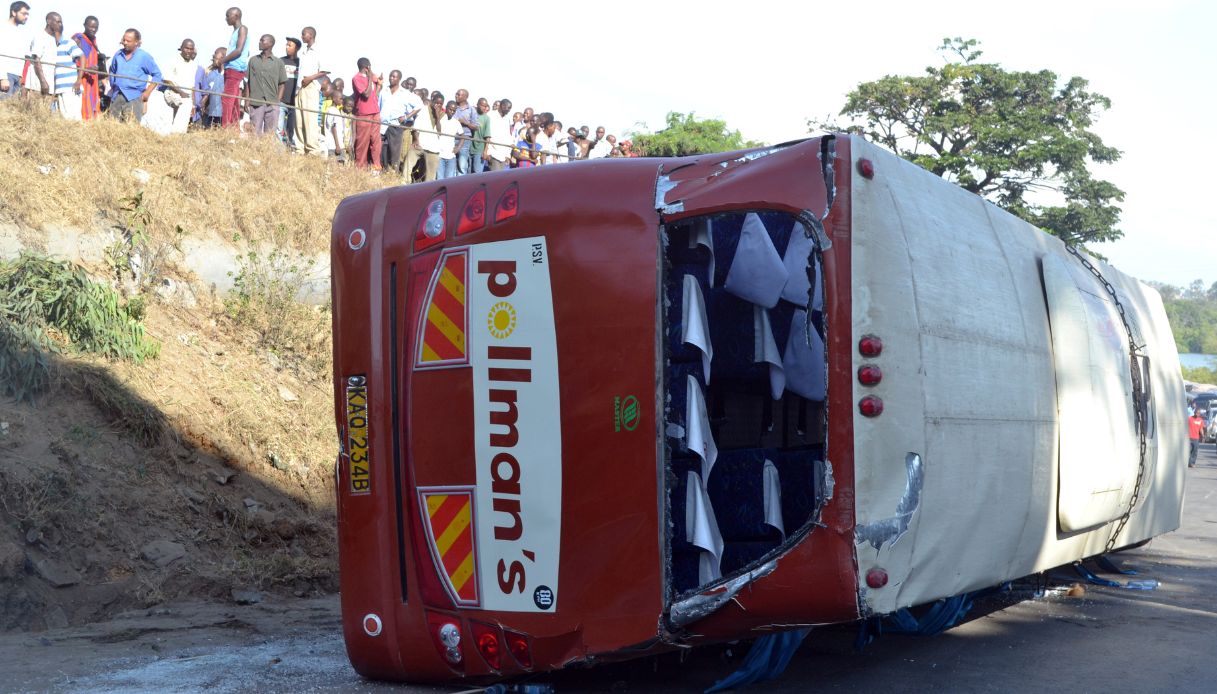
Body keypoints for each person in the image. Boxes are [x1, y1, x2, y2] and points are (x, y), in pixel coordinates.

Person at [107, 28, 161, 122]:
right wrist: (113, 85)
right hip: (117, 96)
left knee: (130, 129)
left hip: (134, 98)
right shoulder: (118, 55)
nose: (125, 42)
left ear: (136, 42)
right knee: (112, 127)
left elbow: (157, 75)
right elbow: (112, 70)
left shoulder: (144, 56)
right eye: (124, 40)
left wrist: (147, 93)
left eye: (128, 41)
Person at [293, 26, 327, 156]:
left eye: (304, 34)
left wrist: (310, 78)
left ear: (311, 35)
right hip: (300, 88)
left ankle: (313, 150)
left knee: (310, 119)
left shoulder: (319, 50)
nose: (302, 37)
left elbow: (324, 70)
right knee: (299, 119)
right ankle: (300, 148)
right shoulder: (303, 52)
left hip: (311, 86)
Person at [244, 34, 285, 137]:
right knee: (254, 133)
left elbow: (282, 84)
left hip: (272, 103)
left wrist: (277, 102)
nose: (260, 42)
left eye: (262, 41)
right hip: (256, 102)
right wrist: (247, 100)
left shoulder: (278, 62)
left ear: (270, 43)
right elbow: (248, 82)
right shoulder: (253, 60)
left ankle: (266, 153)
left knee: (269, 135)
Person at [378, 70, 417, 175]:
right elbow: (379, 106)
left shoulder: (405, 93)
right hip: (383, 125)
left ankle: (393, 174)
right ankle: (383, 171)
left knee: (395, 152)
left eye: (394, 77)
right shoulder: (384, 91)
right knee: (382, 150)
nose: (392, 78)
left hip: (395, 125)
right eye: (390, 76)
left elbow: (418, 107)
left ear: (399, 79)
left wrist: (406, 117)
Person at [160, 39, 202, 134]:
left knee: (187, 105)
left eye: (191, 49)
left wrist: (194, 104)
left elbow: (192, 87)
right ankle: (177, 134)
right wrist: (181, 92)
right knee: (186, 103)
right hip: (172, 92)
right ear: (181, 48)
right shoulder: (173, 60)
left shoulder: (193, 65)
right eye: (186, 48)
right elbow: (167, 80)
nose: (188, 51)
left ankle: (174, 136)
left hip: (186, 95)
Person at [218, 7, 249, 127]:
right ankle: (233, 129)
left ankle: (225, 128)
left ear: (236, 16)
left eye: (228, 15)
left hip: (234, 69)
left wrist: (222, 60)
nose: (226, 18)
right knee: (234, 101)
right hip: (231, 68)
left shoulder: (242, 29)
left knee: (227, 99)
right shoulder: (235, 31)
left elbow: (239, 50)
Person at [350, 57, 381, 171]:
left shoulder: (372, 77)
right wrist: (369, 79)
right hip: (364, 114)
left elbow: (374, 93)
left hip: (375, 112)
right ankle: (360, 167)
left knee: (376, 141)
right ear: (367, 67)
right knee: (362, 142)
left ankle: (376, 167)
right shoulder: (356, 78)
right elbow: (366, 94)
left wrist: (378, 84)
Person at [71, 15, 102, 118]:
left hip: (92, 79)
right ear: (84, 25)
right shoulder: (78, 39)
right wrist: (88, 69)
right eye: (91, 26)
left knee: (92, 103)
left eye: (96, 27)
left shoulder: (94, 42)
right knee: (82, 104)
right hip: (81, 78)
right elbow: (72, 61)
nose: (93, 29)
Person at [25, 11, 60, 105]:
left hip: (48, 85)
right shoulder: (40, 36)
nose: (60, 25)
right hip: (38, 85)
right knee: (33, 114)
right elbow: (36, 60)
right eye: (58, 22)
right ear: (48, 21)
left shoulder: (53, 39)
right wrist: (43, 82)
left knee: (44, 115)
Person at [0, 1, 30, 99]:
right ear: (13, 12)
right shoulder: (3, 28)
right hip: (6, 76)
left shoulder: (22, 32)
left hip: (17, 77)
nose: (26, 17)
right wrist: (2, 77)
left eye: (27, 14)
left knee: (12, 111)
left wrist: (21, 77)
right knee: (3, 110)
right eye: (23, 13)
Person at [414, 91, 444, 182]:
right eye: (436, 102)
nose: (438, 105)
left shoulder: (444, 115)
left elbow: (439, 131)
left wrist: (437, 117)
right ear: (432, 101)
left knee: (430, 175)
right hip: (421, 144)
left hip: (434, 148)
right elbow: (416, 127)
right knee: (410, 163)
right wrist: (416, 140)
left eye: (440, 104)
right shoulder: (424, 110)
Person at [279, 37, 299, 147]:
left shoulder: (300, 62)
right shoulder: (281, 61)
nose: (287, 47)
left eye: (289, 45)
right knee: (278, 128)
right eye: (286, 45)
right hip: (282, 100)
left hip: (294, 102)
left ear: (297, 48)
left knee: (291, 129)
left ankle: (289, 147)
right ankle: (278, 151)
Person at [484, 97, 513, 172]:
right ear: (502, 106)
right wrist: (487, 152)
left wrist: (508, 155)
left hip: (503, 154)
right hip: (493, 153)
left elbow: (507, 136)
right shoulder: (490, 116)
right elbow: (487, 135)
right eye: (508, 108)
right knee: (494, 177)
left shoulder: (507, 119)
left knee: (500, 179)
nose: (509, 110)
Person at [198, 47, 224, 127]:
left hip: (224, 114)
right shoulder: (211, 74)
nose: (213, 57)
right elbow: (206, 91)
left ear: (223, 58)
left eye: (216, 55)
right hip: (210, 113)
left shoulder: (229, 75)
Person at [437, 99, 463, 180]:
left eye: (454, 110)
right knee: (439, 179)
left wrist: (458, 147)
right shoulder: (440, 118)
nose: (452, 112)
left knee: (449, 180)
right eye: (450, 109)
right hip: (439, 155)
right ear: (446, 108)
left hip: (451, 156)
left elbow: (462, 136)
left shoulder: (456, 122)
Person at [453, 88, 477, 175]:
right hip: (451, 137)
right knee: (451, 162)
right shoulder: (452, 107)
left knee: (462, 164)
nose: (456, 96)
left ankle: (460, 185)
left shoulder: (471, 110)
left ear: (465, 97)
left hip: (465, 138)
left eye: (458, 94)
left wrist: (465, 123)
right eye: (456, 94)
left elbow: (476, 127)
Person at [471, 97, 491, 173]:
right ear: (477, 105)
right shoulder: (472, 114)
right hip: (469, 147)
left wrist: (485, 151)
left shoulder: (486, 118)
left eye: (485, 106)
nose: (484, 108)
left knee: (477, 172)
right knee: (467, 173)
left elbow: (487, 137)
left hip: (479, 149)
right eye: (482, 105)